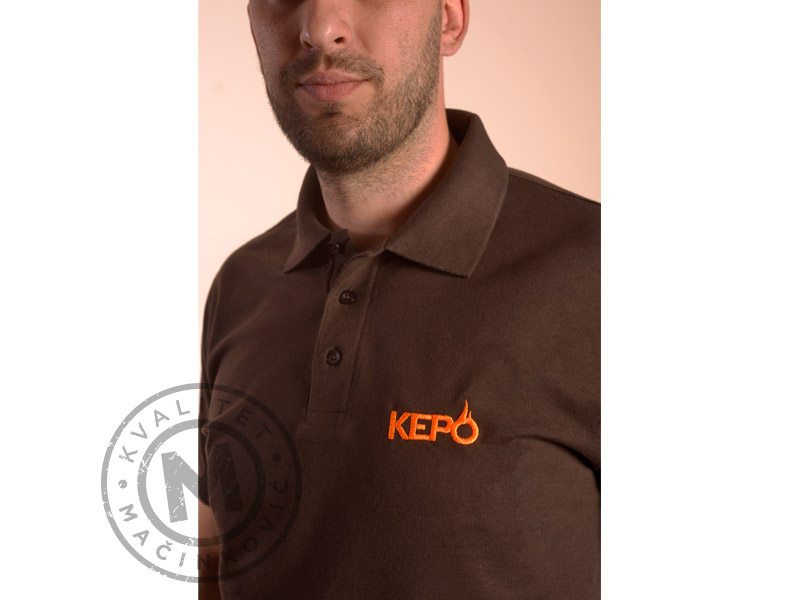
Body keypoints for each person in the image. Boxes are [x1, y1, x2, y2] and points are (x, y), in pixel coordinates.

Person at [199, 0, 599, 598]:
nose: (319, 28)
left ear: (450, 19)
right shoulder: (241, 286)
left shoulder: (601, 271)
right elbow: (212, 561)